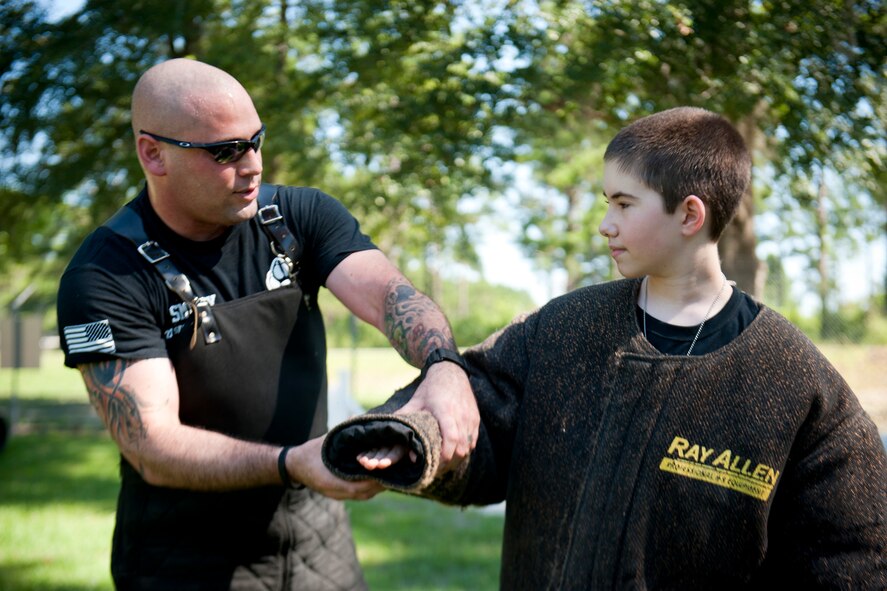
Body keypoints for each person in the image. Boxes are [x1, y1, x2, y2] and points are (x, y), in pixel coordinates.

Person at [323, 107, 887, 589]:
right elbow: (478, 410)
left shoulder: (793, 383)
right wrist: (410, 436)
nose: (604, 224)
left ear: (690, 214)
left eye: (623, 204)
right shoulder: (565, 328)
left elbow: (854, 556)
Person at [56, 58, 478, 591]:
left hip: (315, 534)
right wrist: (291, 462)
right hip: (184, 557)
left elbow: (387, 295)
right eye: (225, 152)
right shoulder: (105, 274)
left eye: (255, 140)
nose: (253, 165)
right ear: (153, 153)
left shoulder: (296, 218)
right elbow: (152, 447)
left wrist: (443, 365)